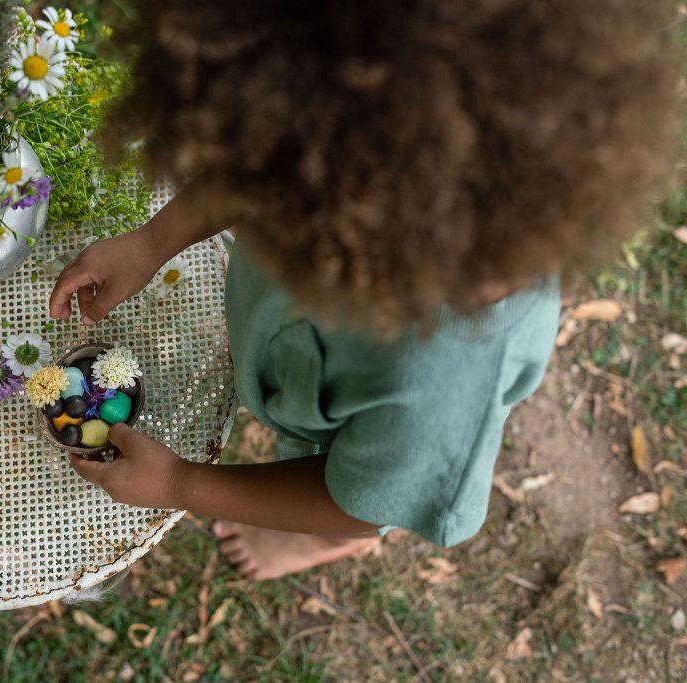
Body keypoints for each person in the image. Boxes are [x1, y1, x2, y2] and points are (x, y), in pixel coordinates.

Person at [48, 0, 679, 581]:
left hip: (359, 431)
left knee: (357, 483)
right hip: (302, 352)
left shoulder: (445, 373)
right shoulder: (331, 121)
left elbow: (358, 499)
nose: (264, 211)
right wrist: (155, 241)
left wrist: (184, 485)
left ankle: (322, 544)